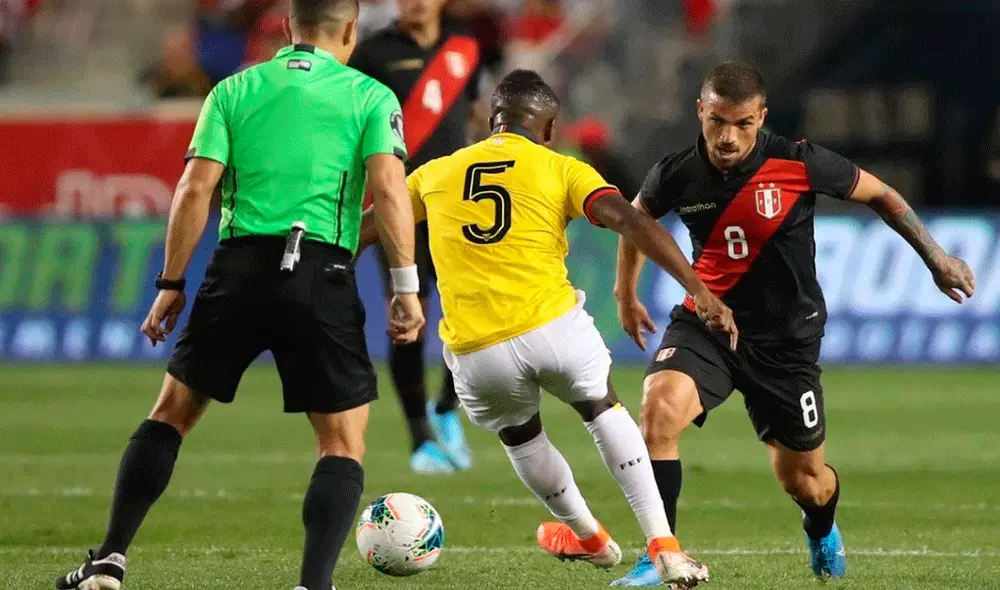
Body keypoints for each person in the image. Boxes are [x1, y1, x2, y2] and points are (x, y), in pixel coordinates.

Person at [55, 1, 423, 589]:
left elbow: (194, 187)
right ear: (351, 30)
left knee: (171, 414)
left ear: (286, 26)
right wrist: (405, 285)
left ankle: (109, 560)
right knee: (342, 442)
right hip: (321, 270)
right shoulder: (371, 97)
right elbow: (389, 189)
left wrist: (172, 283)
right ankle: (313, 584)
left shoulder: (232, 90)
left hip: (238, 268)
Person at [358, 69, 737, 587]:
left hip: (477, 349)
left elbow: (369, 227)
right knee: (602, 407)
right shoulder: (561, 169)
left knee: (522, 437)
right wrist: (697, 287)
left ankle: (589, 537)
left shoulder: (434, 173)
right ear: (550, 127)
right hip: (552, 327)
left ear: (491, 120)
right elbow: (632, 220)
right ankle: (663, 545)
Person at [611, 61, 977, 586]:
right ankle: (661, 553)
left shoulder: (798, 162)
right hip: (707, 325)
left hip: (786, 341)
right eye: (717, 121)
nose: (728, 137)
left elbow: (881, 194)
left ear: (761, 117)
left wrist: (936, 257)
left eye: (742, 124)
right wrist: (626, 293)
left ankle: (821, 526)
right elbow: (635, 221)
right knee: (657, 413)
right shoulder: (675, 171)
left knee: (806, 482)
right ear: (700, 111)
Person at [349, 0, 485, 474]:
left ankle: (448, 406)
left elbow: (471, 117)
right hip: (397, 205)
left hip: (454, 202)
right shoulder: (371, 53)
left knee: (470, 310)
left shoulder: (465, 46)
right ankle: (420, 437)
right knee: (410, 312)